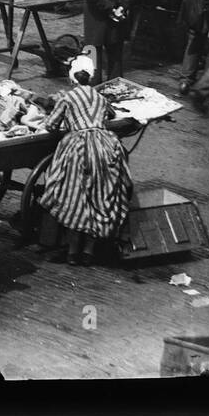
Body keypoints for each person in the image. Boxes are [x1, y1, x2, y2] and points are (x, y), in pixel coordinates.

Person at [37, 55, 133, 265]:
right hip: (104, 146)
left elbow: (51, 125)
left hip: (78, 148)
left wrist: (68, 122)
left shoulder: (68, 98)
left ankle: (72, 251)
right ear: (89, 77)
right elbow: (111, 113)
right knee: (99, 196)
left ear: (72, 79)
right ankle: (88, 252)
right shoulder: (99, 97)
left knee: (74, 197)